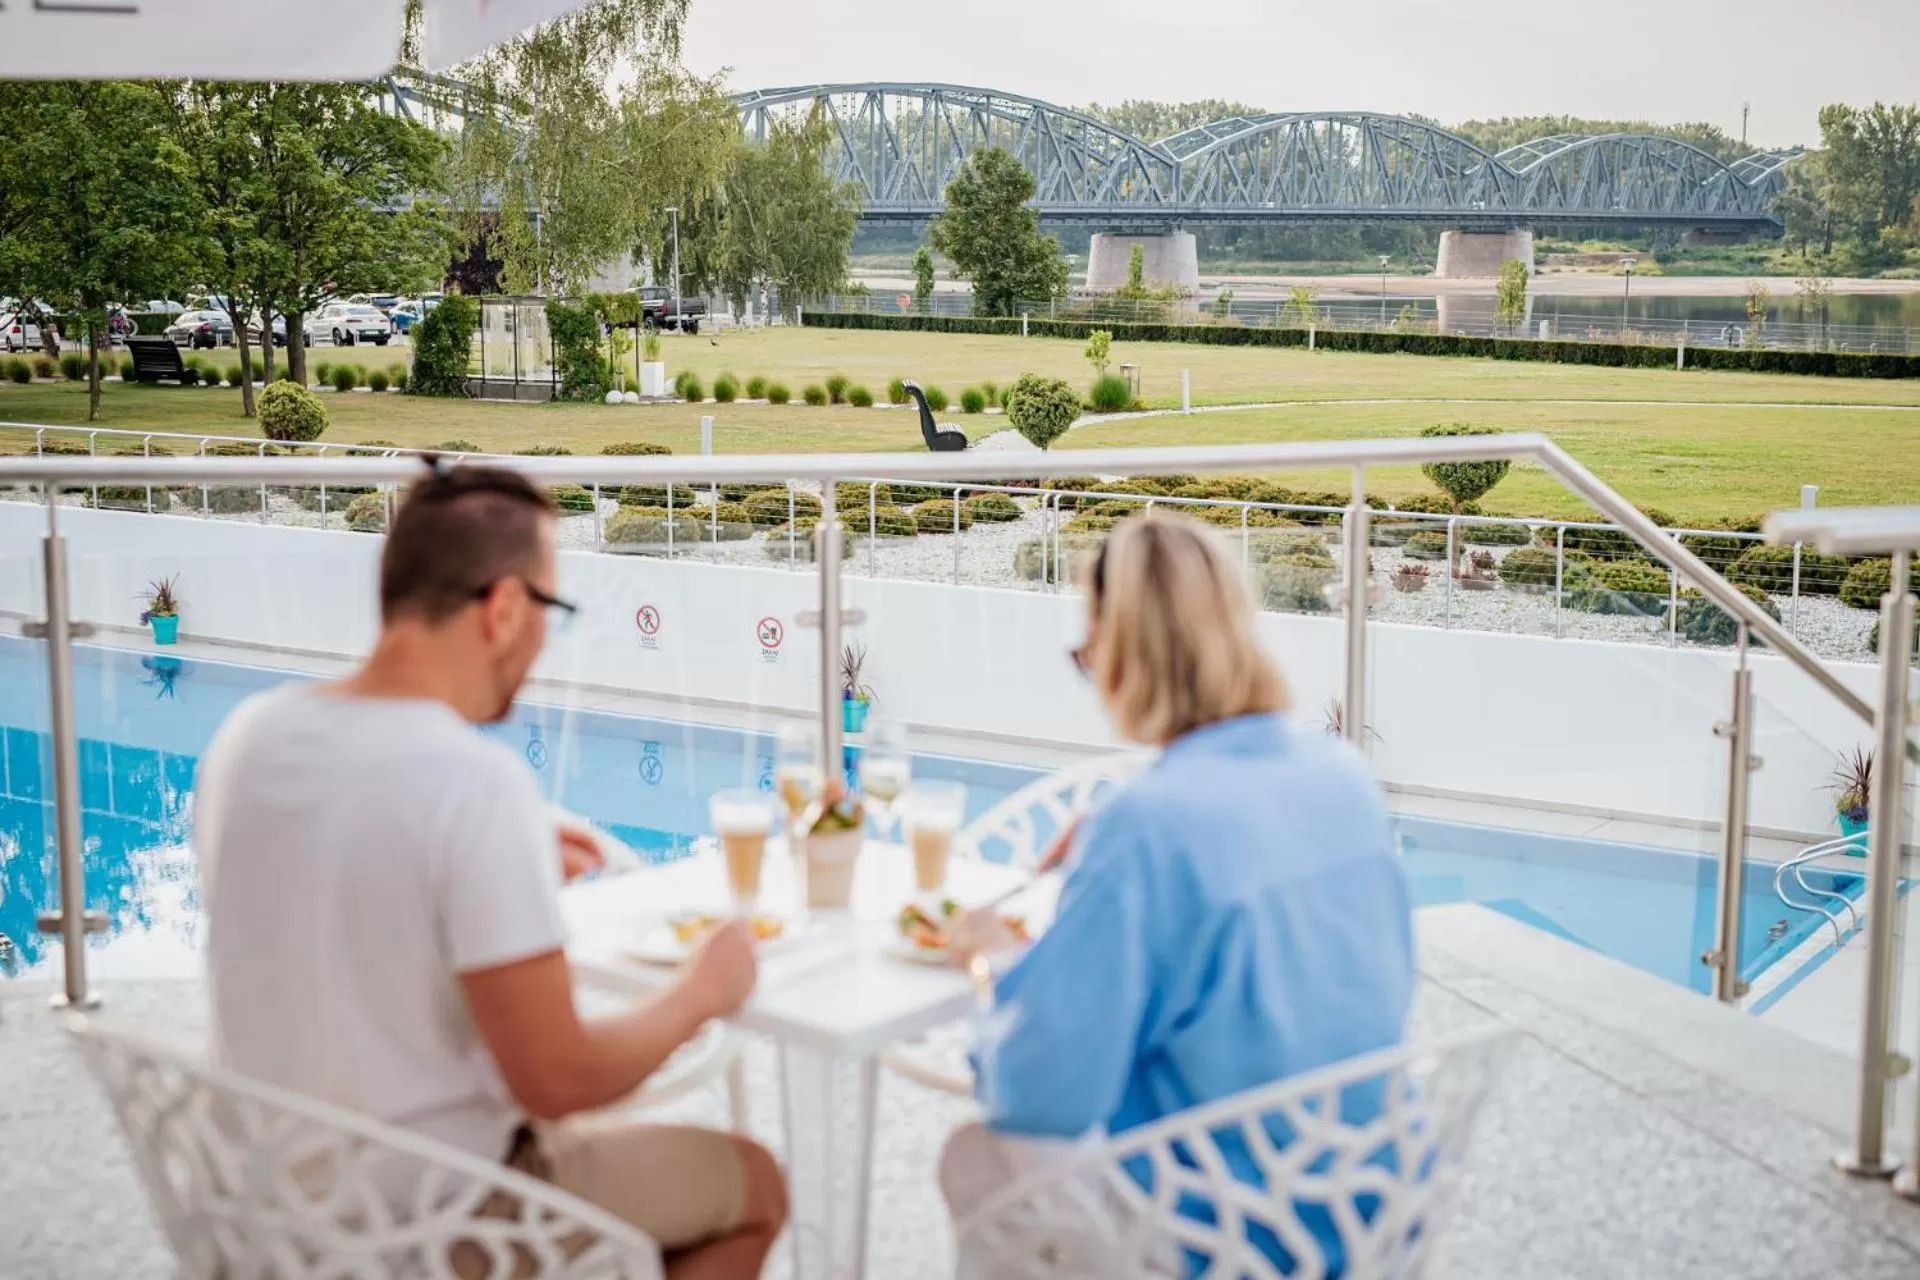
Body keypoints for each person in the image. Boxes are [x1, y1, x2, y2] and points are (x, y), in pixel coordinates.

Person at [194, 459, 786, 1279]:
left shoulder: (249, 737)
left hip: (261, 1206)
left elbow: (335, 896)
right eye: (551, 608)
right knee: (756, 1186)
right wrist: (701, 992)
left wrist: (479, 871)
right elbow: (559, 1079)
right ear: (505, 607)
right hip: (422, 1222)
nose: (545, 639)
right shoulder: (472, 782)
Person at [939, 510, 1414, 1269]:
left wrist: (992, 963)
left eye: (1088, 655)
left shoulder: (1146, 827)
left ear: (1123, 655)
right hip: (1375, 1201)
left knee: (977, 1156)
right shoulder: (1343, 775)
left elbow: (1040, 1094)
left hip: (1234, 1230)